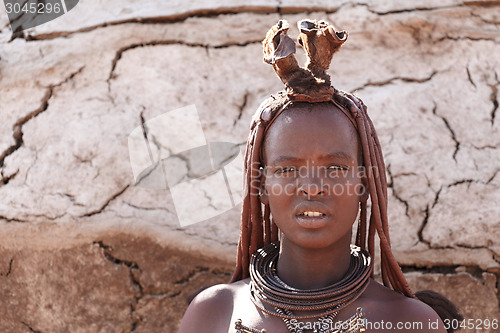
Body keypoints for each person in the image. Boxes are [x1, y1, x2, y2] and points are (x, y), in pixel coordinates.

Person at [178, 19, 462, 333]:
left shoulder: (407, 322)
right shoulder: (215, 313)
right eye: (287, 170)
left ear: (364, 185)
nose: (312, 187)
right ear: (261, 186)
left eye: (335, 169)